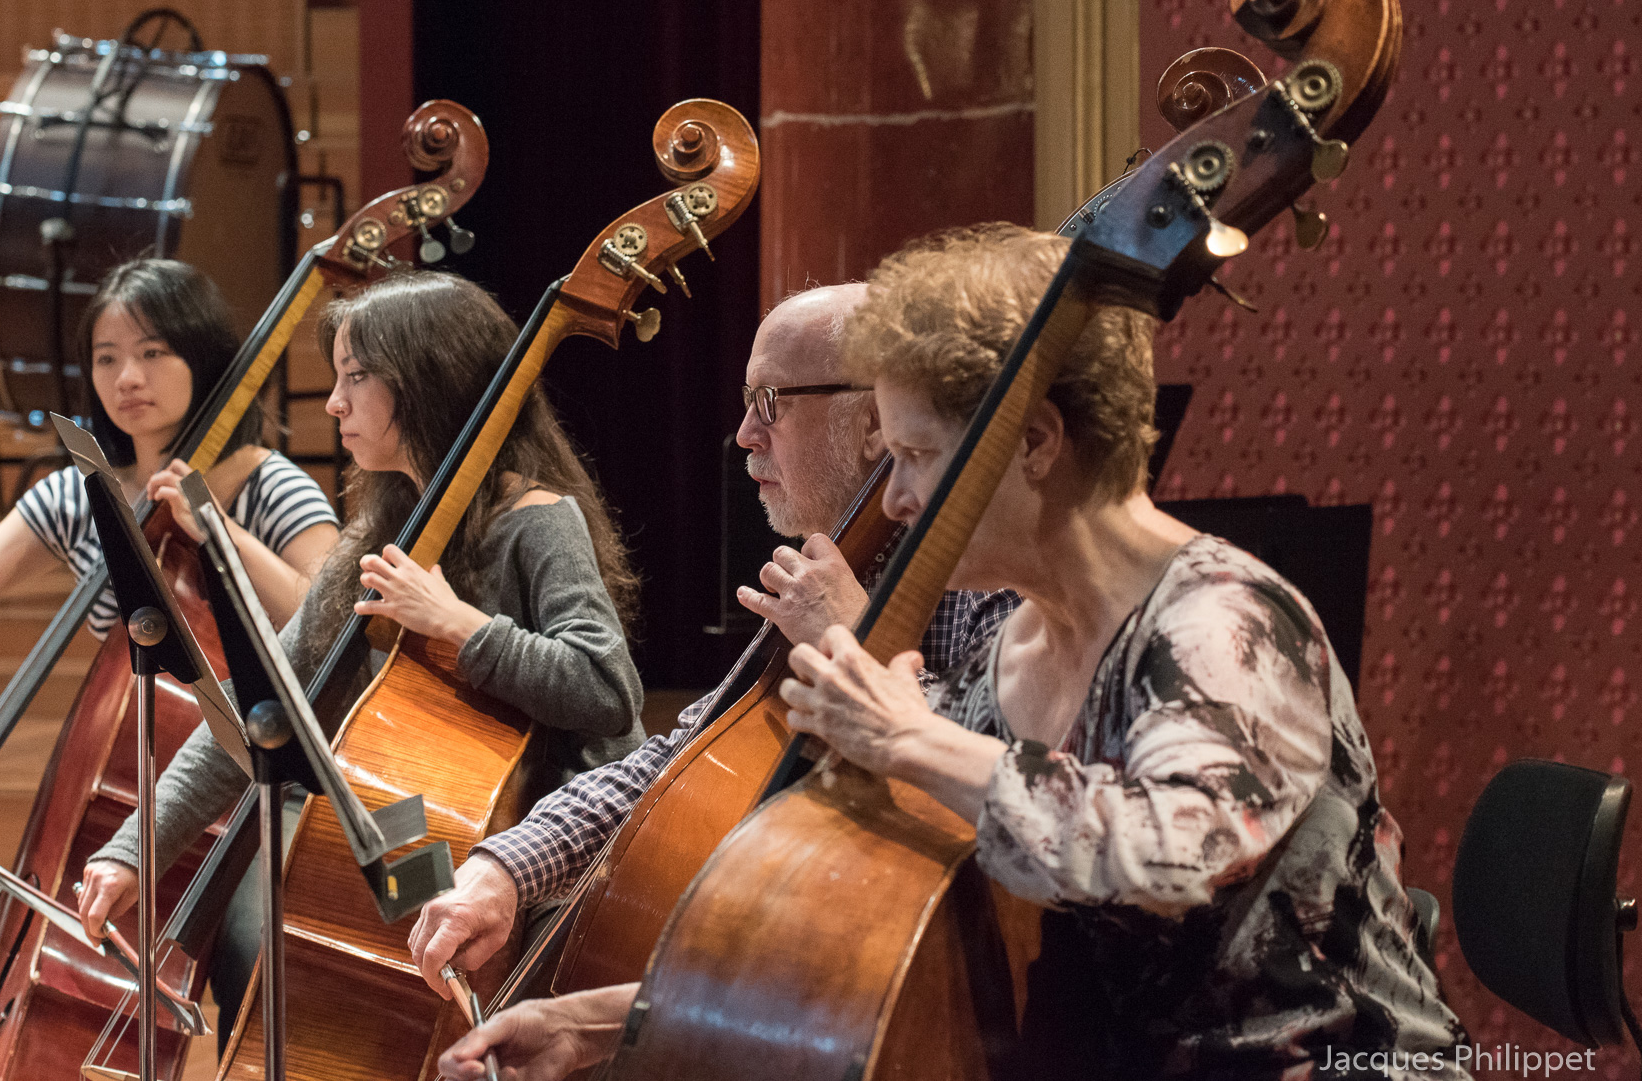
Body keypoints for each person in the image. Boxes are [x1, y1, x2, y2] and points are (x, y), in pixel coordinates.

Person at [435, 227, 1469, 1081]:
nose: (893, 499)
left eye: (918, 455)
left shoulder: (1224, 620)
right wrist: (600, 1022)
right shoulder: (1012, 642)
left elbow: (1168, 857)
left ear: (1035, 443)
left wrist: (912, 736)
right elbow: (907, 935)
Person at [74, 268, 649, 1033]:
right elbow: (266, 703)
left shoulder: (538, 519)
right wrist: (133, 851)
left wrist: (460, 625)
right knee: (326, 956)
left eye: (355, 377)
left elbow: (608, 690)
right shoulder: (377, 535)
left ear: (423, 382)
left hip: (557, 864)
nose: (334, 402)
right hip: (440, 828)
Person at [406, 282, 1018, 998]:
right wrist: (506, 867)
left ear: (874, 421)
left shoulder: (989, 574)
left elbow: (1014, 794)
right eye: (746, 401)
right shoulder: (835, 564)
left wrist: (855, 641)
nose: (746, 434)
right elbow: (684, 756)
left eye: (770, 403)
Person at [0, 258, 341, 1081]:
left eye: (153, 352)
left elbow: (331, 617)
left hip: (252, 802)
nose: (128, 377)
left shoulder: (268, 485)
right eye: (107, 357)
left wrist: (220, 532)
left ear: (202, 357)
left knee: (254, 966)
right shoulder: (78, 497)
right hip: (118, 815)